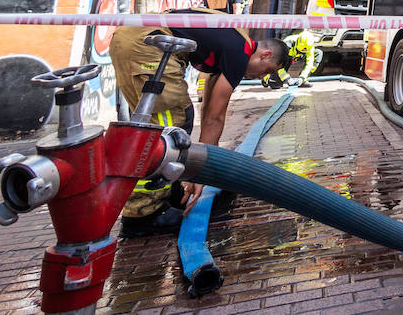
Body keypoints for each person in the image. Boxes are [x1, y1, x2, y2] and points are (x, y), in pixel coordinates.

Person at [109, 14, 288, 237]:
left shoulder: (234, 38)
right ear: (265, 55)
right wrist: (202, 174)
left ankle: (170, 192)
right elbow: (215, 118)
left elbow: (209, 108)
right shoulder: (238, 54)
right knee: (169, 129)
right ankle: (144, 213)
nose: (261, 76)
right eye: (267, 70)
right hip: (147, 45)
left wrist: (200, 171)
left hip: (135, 38)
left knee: (173, 121)